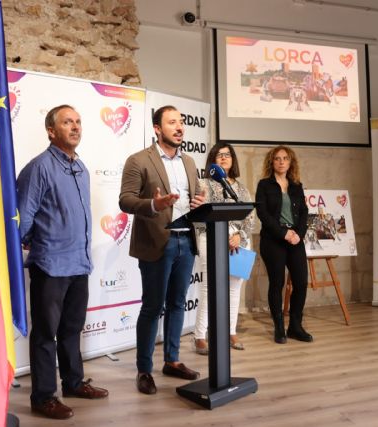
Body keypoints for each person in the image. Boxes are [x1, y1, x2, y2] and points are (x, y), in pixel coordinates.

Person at [17, 105, 108, 420]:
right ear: (51, 131)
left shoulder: (80, 168)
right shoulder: (39, 168)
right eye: (67, 122)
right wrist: (32, 239)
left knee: (72, 328)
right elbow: (22, 217)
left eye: (78, 122)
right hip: (51, 266)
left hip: (79, 263)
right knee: (45, 334)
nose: (75, 127)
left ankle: (73, 383)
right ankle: (43, 397)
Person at [119, 105, 206, 395]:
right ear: (157, 129)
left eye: (181, 122)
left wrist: (199, 203)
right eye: (172, 122)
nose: (179, 127)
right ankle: (144, 369)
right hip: (158, 242)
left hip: (186, 241)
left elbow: (194, 197)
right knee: (153, 307)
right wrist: (154, 205)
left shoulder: (190, 162)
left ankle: (172, 360)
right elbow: (125, 200)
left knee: (178, 304)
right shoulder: (138, 160)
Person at [193, 143, 255, 355]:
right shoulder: (203, 184)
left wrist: (240, 236)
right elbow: (198, 215)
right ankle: (200, 336)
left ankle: (230, 332)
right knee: (208, 287)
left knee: (234, 288)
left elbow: (249, 218)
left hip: (238, 240)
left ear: (233, 159)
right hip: (210, 236)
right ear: (212, 160)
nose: (223, 158)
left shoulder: (242, 189)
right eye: (219, 155)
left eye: (227, 154)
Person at [255, 146, 313, 344]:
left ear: (290, 162)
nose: (281, 162)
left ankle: (295, 326)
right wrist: (283, 233)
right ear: (271, 162)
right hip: (273, 240)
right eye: (277, 158)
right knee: (277, 283)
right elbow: (263, 214)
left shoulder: (296, 185)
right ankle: (279, 327)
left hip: (295, 239)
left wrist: (299, 235)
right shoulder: (264, 185)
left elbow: (304, 212)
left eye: (285, 158)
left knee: (301, 283)